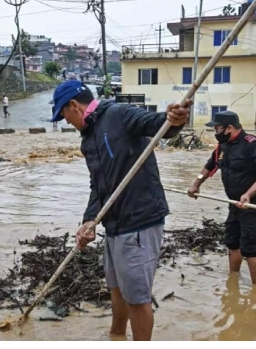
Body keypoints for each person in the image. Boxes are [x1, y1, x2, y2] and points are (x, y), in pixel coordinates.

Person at [50, 79, 191, 341]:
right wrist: (89, 220)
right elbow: (98, 185)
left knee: (137, 297)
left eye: (63, 114)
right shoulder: (87, 139)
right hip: (113, 224)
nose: (65, 121)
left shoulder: (118, 114)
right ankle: (116, 337)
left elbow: (159, 125)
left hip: (139, 220)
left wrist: (175, 119)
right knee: (116, 288)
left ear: (74, 106)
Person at [187, 111, 256, 285]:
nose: (216, 132)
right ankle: (233, 279)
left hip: (255, 205)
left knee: (251, 249)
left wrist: (249, 194)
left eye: (218, 128)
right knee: (232, 242)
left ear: (230, 128)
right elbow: (209, 166)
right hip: (234, 204)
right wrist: (196, 184)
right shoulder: (223, 147)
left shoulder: (254, 145)